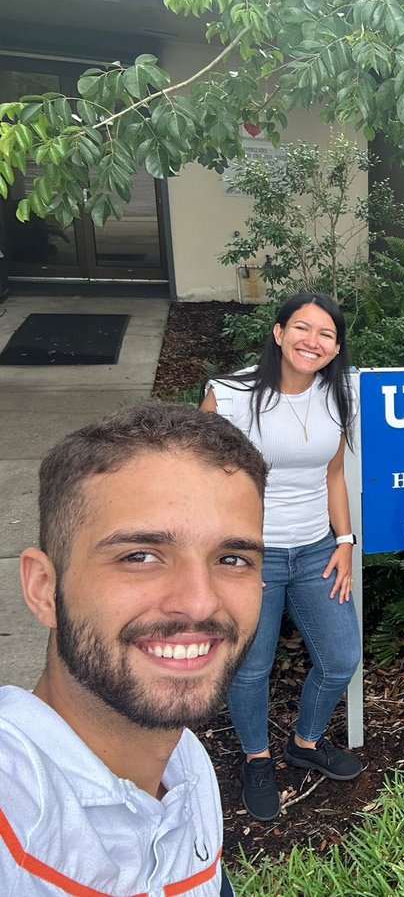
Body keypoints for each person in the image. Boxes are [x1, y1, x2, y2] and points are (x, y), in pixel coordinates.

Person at [0, 402, 269, 896]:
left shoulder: (186, 762)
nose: (199, 602)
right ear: (43, 588)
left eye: (232, 558)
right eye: (140, 556)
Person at [200, 292, 362, 822]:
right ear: (278, 332)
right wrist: (228, 558)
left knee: (340, 658)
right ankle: (257, 758)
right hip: (250, 555)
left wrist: (345, 542)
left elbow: (333, 475)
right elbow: (200, 484)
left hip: (316, 550)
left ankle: (305, 743)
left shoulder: (337, 395)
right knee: (251, 668)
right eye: (302, 328)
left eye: (326, 334)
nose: (312, 341)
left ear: (336, 347)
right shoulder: (229, 397)